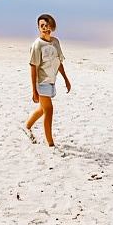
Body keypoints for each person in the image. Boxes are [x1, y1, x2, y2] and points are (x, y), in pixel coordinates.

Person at [25, 13, 71, 147]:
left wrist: (66, 79)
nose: (45, 28)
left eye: (48, 25)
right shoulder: (37, 45)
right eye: (42, 26)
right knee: (49, 110)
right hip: (41, 82)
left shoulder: (55, 42)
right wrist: (34, 90)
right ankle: (50, 143)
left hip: (51, 81)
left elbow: (59, 62)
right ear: (39, 28)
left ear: (52, 26)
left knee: (42, 109)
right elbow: (33, 68)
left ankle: (27, 126)